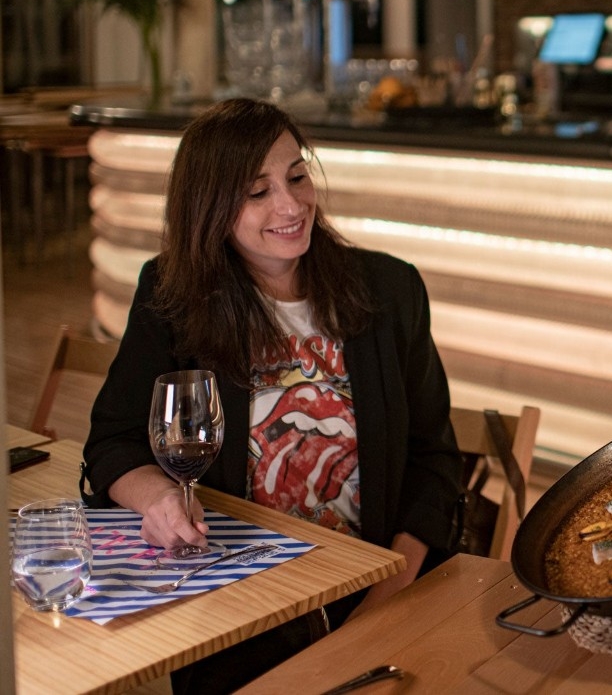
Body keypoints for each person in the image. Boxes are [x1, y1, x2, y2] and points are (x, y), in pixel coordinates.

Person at [82, 98, 462, 693]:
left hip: (379, 588)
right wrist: (159, 499)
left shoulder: (390, 288)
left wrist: (388, 591)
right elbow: (113, 441)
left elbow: (434, 460)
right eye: (257, 192)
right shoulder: (172, 295)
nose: (290, 205)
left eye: (297, 177)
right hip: (238, 605)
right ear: (209, 208)